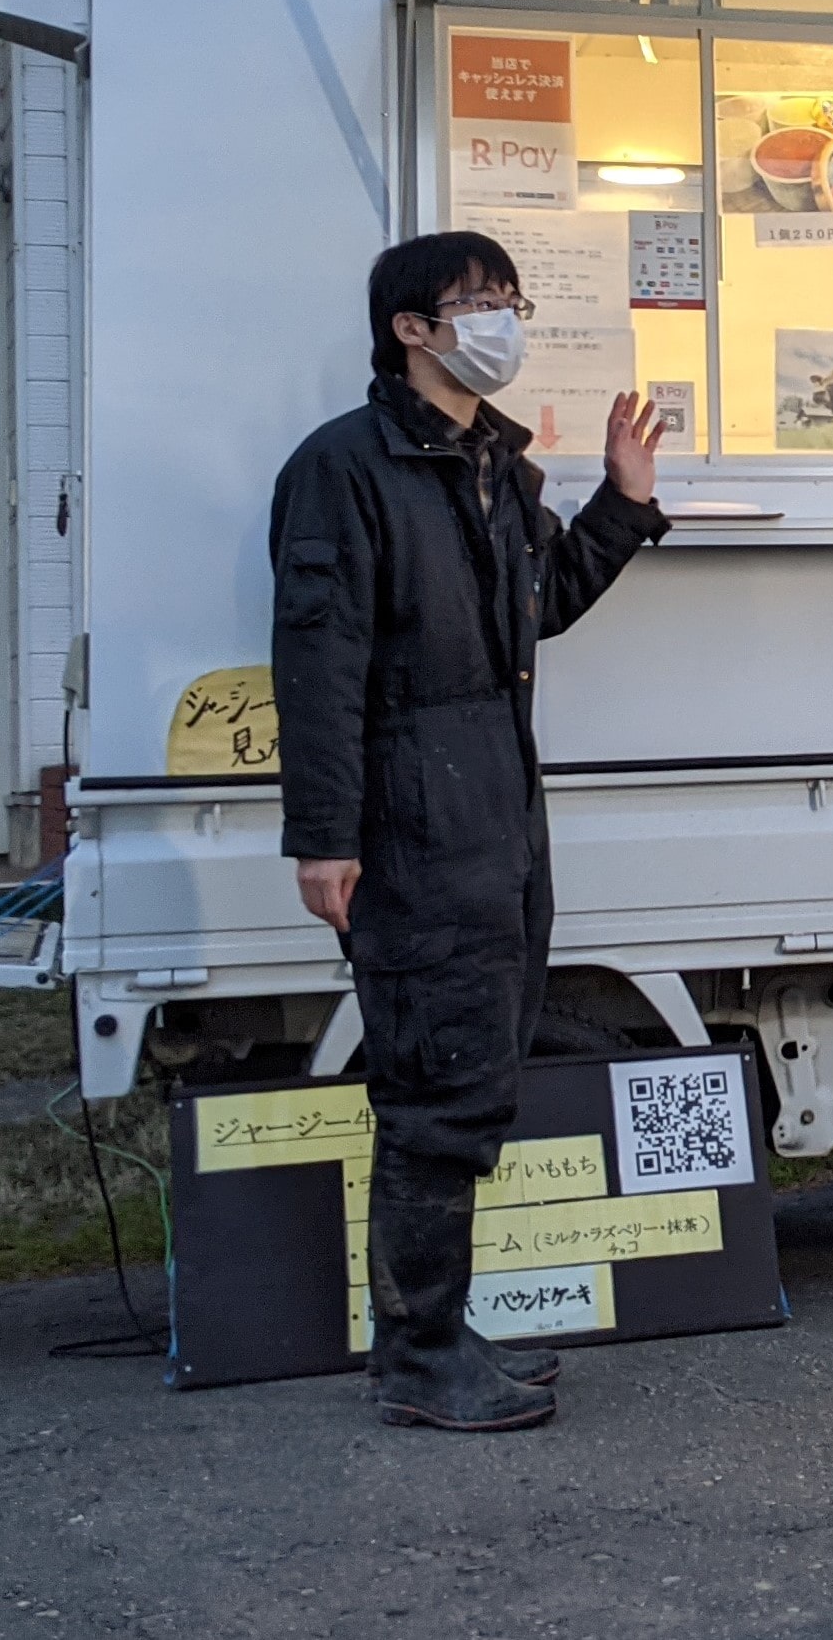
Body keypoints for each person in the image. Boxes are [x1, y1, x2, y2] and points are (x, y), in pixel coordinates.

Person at [271, 231, 669, 1432]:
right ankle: (418, 1357)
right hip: (411, 809)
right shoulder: (342, 469)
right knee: (434, 1084)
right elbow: (319, 663)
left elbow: (533, 612)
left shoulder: (494, 464)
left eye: (510, 298)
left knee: (477, 1068)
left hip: (497, 799)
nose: (501, 318)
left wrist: (623, 505)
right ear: (410, 329)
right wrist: (323, 836)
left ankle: (439, 1328)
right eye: (476, 302)